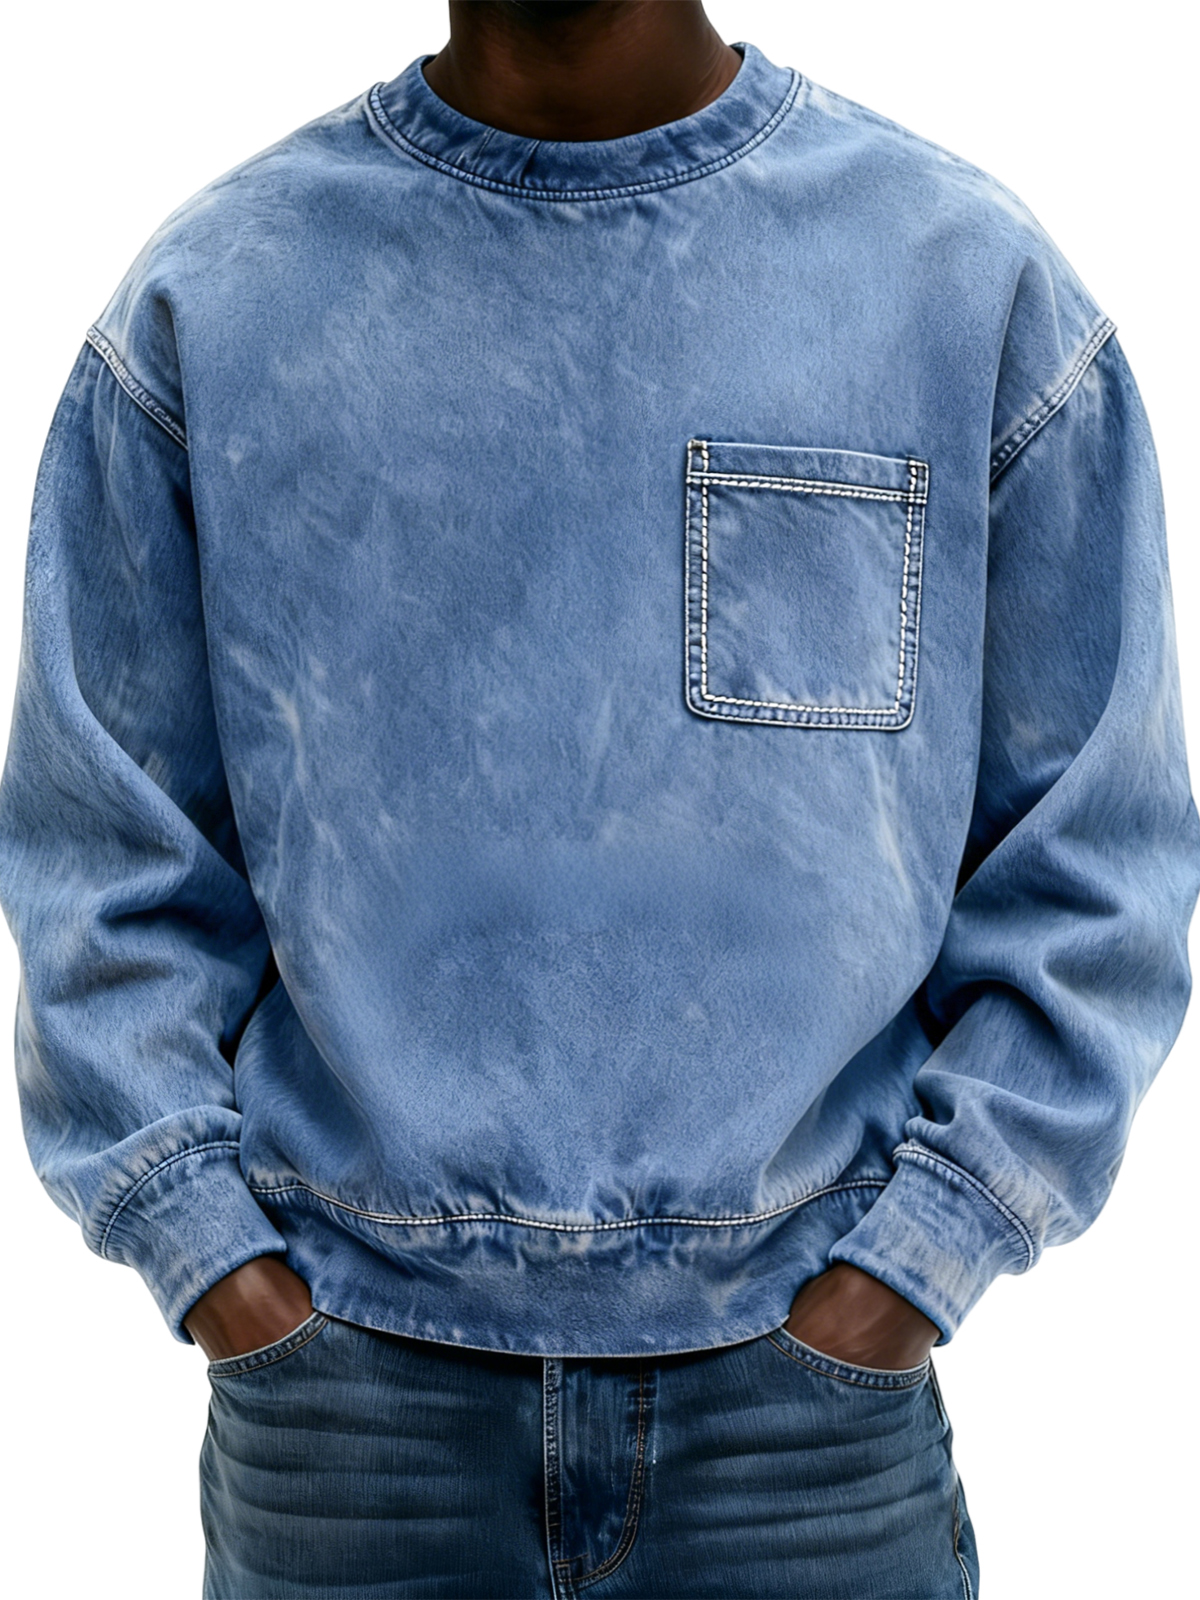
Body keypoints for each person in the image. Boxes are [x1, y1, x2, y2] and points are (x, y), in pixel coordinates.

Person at [1, 1, 1197, 1595]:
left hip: (802, 1430)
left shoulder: (961, 287)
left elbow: (1099, 864)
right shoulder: (216, 303)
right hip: (351, 1422)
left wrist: (919, 1260)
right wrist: (212, 1258)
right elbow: (102, 863)